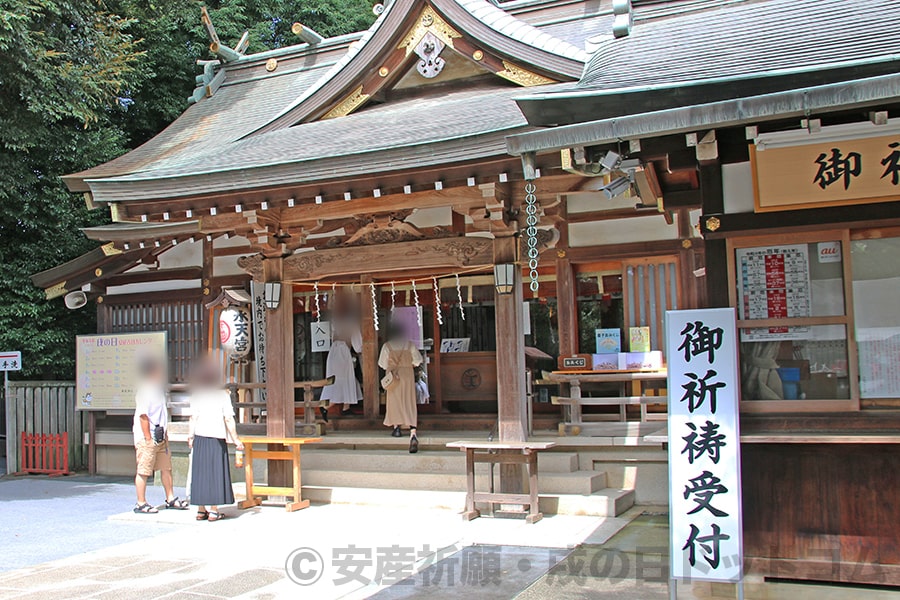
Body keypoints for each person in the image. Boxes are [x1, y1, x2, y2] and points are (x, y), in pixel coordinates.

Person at [188, 359, 243, 522]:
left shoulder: (197, 394)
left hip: (200, 436)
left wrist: (190, 436)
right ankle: (213, 510)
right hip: (217, 438)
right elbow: (228, 419)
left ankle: (200, 509)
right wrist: (236, 439)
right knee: (214, 473)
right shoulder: (222, 395)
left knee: (200, 473)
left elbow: (193, 417)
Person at [132, 357, 189, 514]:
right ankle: (140, 502)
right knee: (144, 469)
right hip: (147, 436)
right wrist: (148, 438)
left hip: (161, 434)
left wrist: (164, 434)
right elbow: (143, 416)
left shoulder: (157, 389)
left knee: (166, 467)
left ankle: (170, 498)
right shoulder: (144, 390)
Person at [379, 322, 423, 453]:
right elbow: (417, 360)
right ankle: (412, 431)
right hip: (407, 374)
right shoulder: (410, 345)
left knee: (394, 401)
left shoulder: (387, 346)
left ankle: (396, 427)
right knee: (409, 401)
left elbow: (382, 363)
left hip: (393, 375)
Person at [319, 318, 363, 419]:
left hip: (333, 351)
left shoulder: (335, 321)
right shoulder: (352, 322)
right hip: (343, 351)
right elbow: (358, 345)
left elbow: (331, 336)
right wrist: (360, 351)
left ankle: (346, 408)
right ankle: (326, 406)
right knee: (344, 380)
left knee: (339, 380)